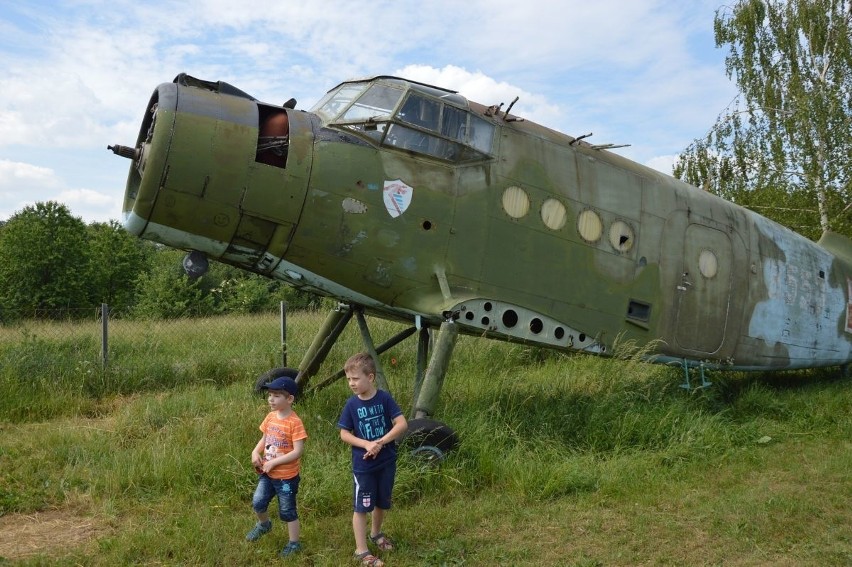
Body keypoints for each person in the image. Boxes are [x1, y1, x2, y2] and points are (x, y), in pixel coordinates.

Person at [338, 353, 408, 567]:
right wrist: (367, 444)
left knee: (381, 502)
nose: (351, 383)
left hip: (386, 461)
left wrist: (381, 441)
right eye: (349, 379)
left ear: (370, 377)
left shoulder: (384, 399)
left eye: (356, 378)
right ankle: (362, 551)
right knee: (361, 507)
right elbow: (344, 434)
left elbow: (401, 424)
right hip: (364, 467)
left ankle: (376, 534)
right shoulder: (351, 405)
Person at [246, 370, 307, 558]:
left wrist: (275, 463)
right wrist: (255, 452)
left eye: (276, 396)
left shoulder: (295, 423)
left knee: (287, 510)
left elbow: (298, 451)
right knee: (258, 502)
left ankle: (294, 543)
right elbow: (265, 438)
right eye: (269, 395)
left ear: (289, 399)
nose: (271, 399)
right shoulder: (271, 417)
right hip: (267, 473)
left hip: (286, 477)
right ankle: (264, 525)